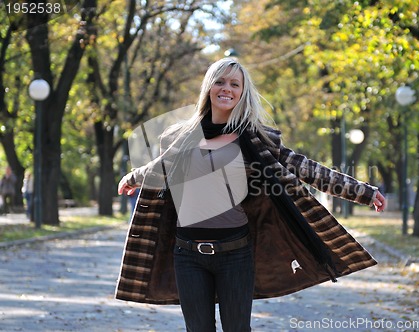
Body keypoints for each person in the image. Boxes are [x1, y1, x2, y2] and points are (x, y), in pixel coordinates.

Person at [116, 57, 386, 331]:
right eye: (220, 81)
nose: (227, 89)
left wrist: (362, 191)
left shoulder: (257, 139)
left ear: (242, 92)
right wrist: (133, 177)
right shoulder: (179, 136)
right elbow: (159, 167)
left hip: (235, 254)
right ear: (208, 87)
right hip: (187, 255)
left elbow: (306, 168)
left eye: (235, 84)